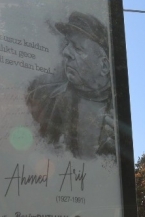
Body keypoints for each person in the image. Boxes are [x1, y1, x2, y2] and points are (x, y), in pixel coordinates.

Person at [26, 11, 116, 160]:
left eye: (77, 48)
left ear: (104, 66)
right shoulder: (44, 99)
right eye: (68, 44)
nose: (66, 52)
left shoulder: (119, 112)